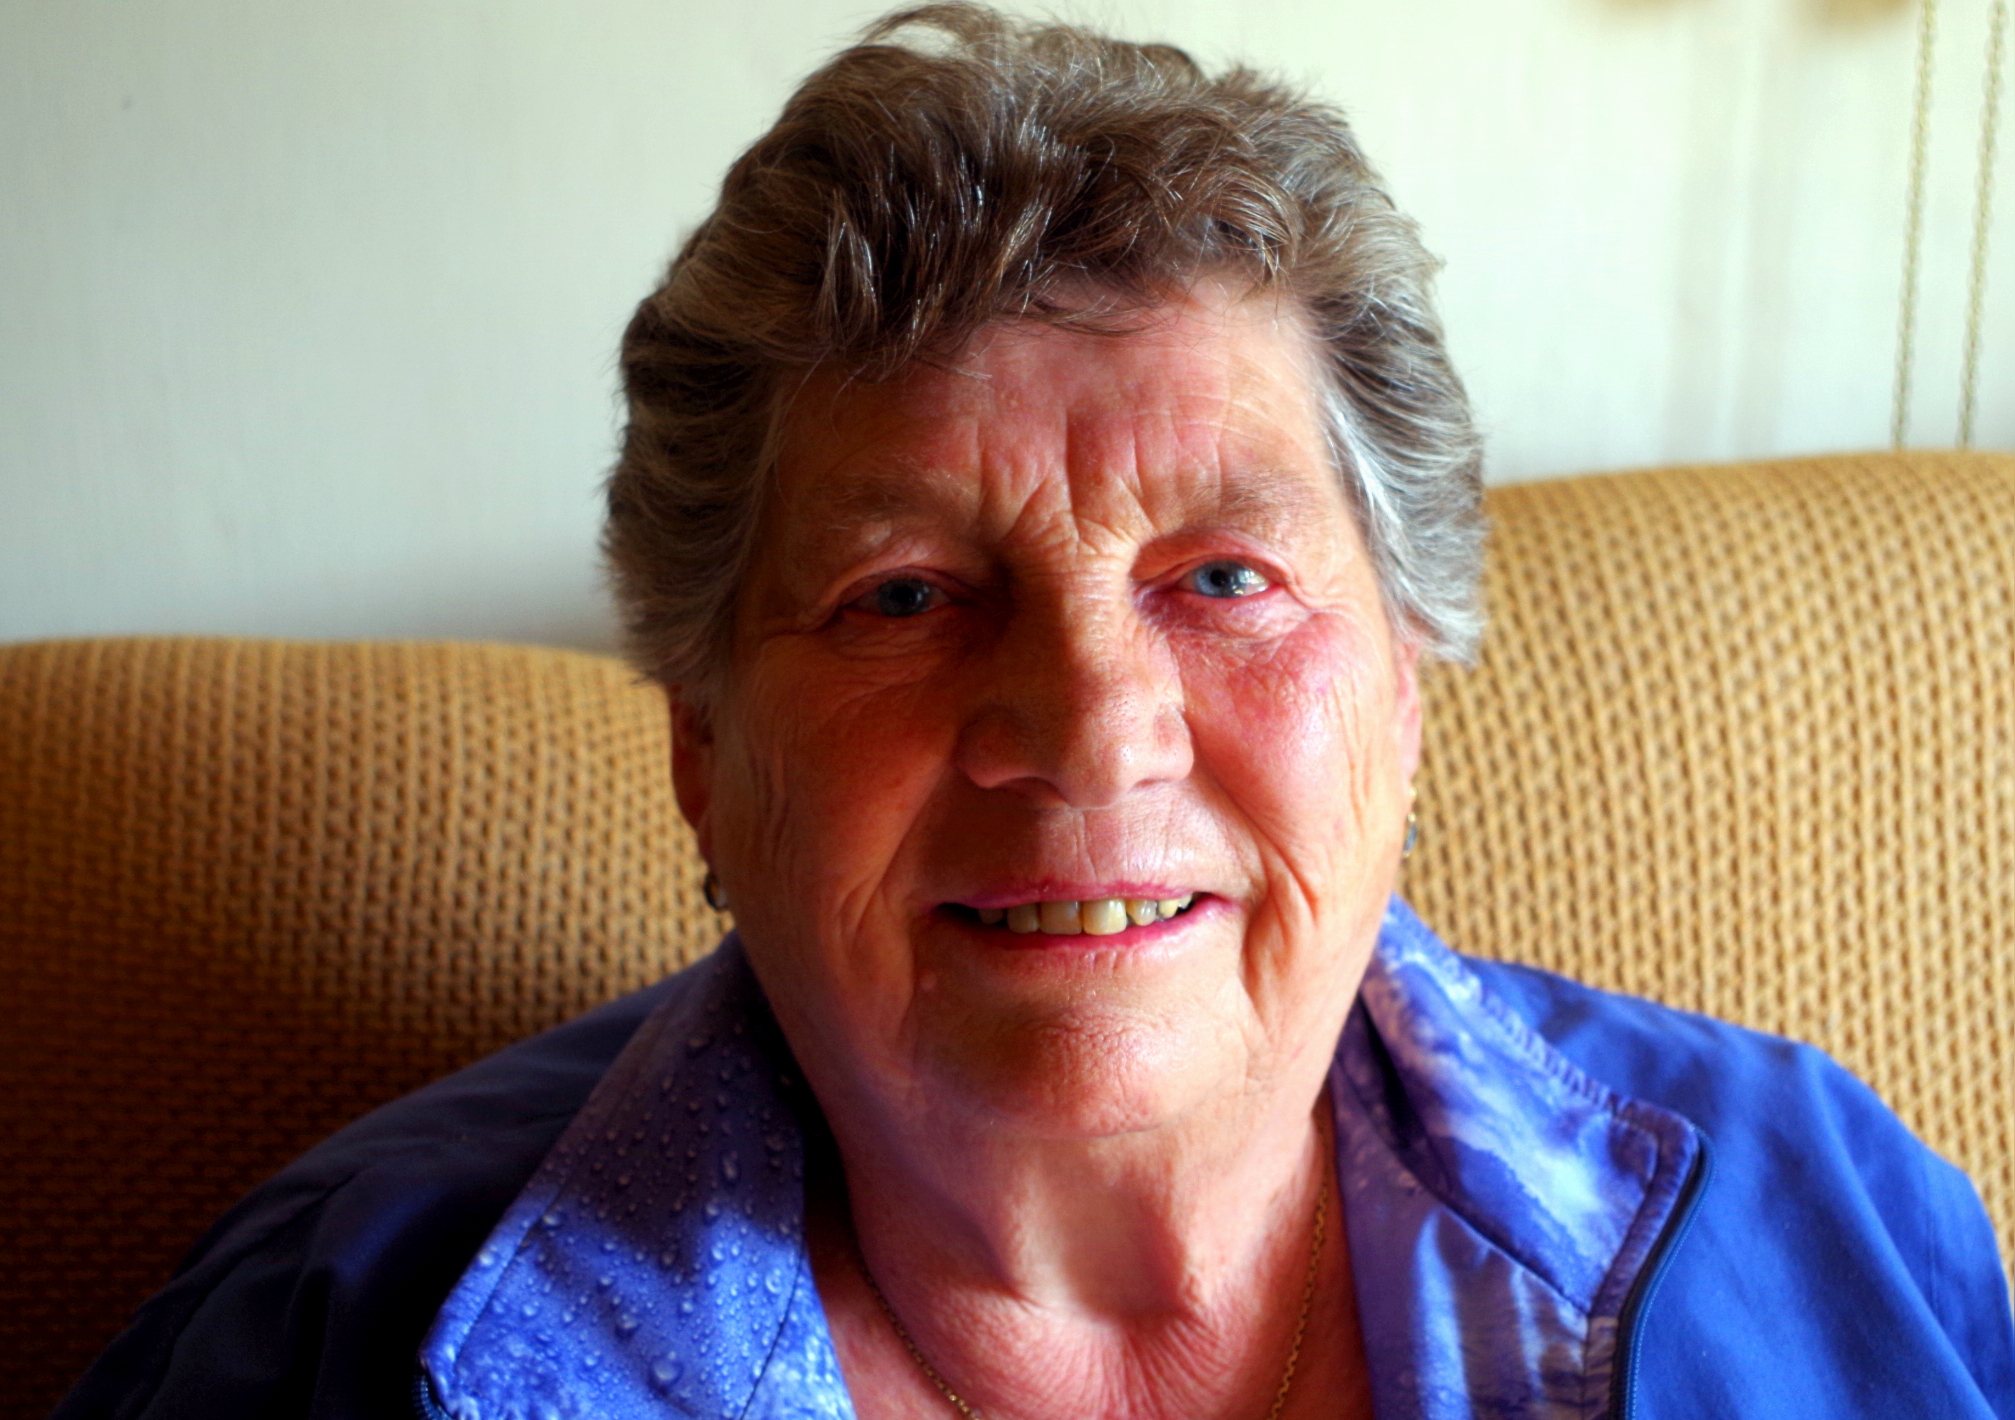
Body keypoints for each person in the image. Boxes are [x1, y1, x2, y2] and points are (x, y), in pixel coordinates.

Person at [57, 6, 2014, 1418]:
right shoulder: (327, 1345)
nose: (1090, 728)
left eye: (1223, 579)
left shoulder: (1817, 1215)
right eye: (906, 595)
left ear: (1407, 684)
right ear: (705, 754)